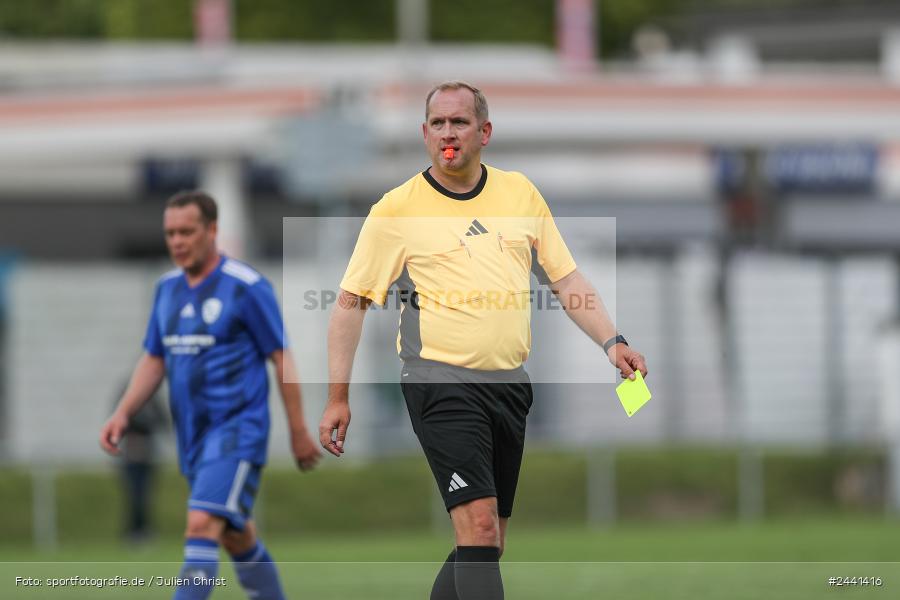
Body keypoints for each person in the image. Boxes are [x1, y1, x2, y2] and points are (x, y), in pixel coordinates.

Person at [319, 80, 648, 600]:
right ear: (424, 133)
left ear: (484, 132)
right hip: (439, 382)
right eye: (438, 123)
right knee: (480, 530)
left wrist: (613, 342)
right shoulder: (395, 210)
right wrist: (337, 396)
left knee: (488, 544)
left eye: (460, 122)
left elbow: (565, 279)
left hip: (509, 386)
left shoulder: (519, 194)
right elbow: (350, 306)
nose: (448, 133)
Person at [100, 191, 321, 600]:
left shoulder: (247, 287)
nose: (178, 241)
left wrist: (298, 429)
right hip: (194, 437)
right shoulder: (166, 289)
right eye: (170, 233)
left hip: (237, 430)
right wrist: (122, 413)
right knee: (237, 537)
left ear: (213, 230)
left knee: (201, 524)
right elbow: (154, 357)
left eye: (187, 231)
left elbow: (281, 357)